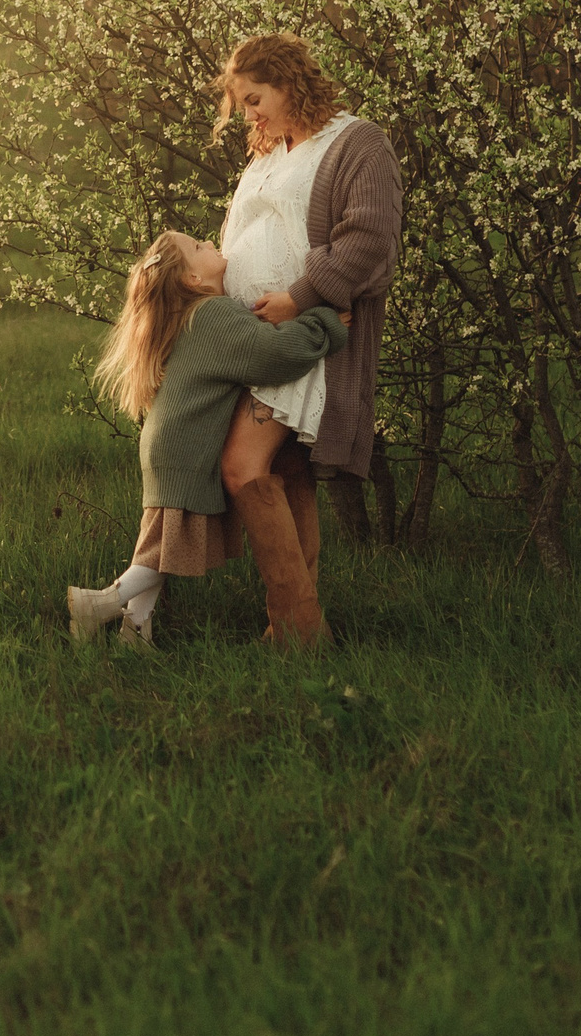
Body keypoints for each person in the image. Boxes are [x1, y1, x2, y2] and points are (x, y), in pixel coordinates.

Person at [210, 33, 403, 645]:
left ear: (290, 81)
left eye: (255, 97)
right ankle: (292, 628)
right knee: (286, 472)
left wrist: (300, 297)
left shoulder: (356, 143)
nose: (249, 113)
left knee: (242, 468)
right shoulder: (269, 153)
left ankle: (297, 627)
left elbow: (370, 240)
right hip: (255, 343)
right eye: (240, 104)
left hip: (306, 339)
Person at [66, 230, 349, 647]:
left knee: (161, 544)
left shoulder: (196, 318)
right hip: (186, 450)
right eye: (198, 248)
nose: (209, 244)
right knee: (166, 554)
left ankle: (135, 633)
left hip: (169, 447)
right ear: (192, 281)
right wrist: (323, 322)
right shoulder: (213, 315)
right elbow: (273, 355)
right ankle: (100, 603)